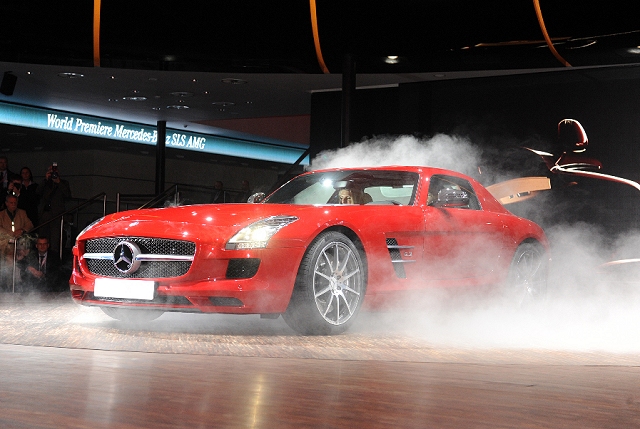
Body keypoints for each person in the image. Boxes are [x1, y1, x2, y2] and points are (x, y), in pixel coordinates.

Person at [0, 194, 34, 290]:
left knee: (23, 254)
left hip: (20, 244)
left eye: (15, 203)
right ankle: (9, 285)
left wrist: (22, 230)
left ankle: (20, 284)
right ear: (6, 203)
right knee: (9, 259)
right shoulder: (1, 215)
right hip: (5, 244)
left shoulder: (22, 213)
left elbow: (29, 224)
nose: (13, 204)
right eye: (11, 203)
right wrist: (11, 234)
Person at [36, 163, 72, 254]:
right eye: (51, 171)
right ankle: (41, 258)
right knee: (43, 238)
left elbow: (68, 195)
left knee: (55, 240)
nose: (53, 174)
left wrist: (58, 182)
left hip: (57, 215)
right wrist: (45, 179)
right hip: (45, 214)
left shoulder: (63, 183)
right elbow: (37, 193)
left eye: (54, 171)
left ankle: (54, 260)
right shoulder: (45, 183)